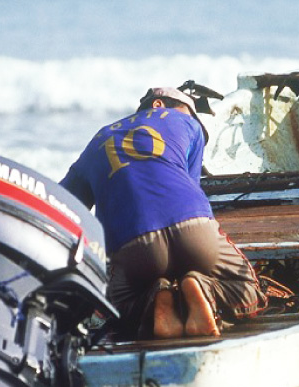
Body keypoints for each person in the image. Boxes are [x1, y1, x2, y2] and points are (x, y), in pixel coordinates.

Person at [60, 86, 266, 340]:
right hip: (193, 228)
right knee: (247, 288)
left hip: (132, 246)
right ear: (158, 105)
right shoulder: (189, 125)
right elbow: (192, 186)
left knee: (116, 311)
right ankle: (203, 288)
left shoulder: (99, 138)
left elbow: (64, 205)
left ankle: (156, 299)